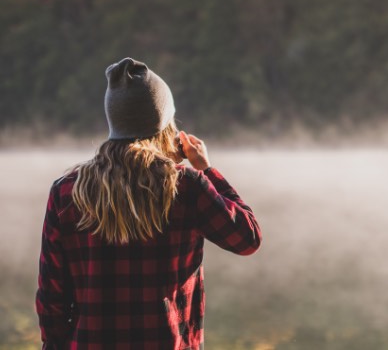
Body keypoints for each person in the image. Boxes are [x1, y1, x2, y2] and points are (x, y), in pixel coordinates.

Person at [36, 57, 261, 349]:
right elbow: (248, 239)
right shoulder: (187, 186)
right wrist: (206, 170)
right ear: (163, 125)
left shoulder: (67, 191)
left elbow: (51, 297)